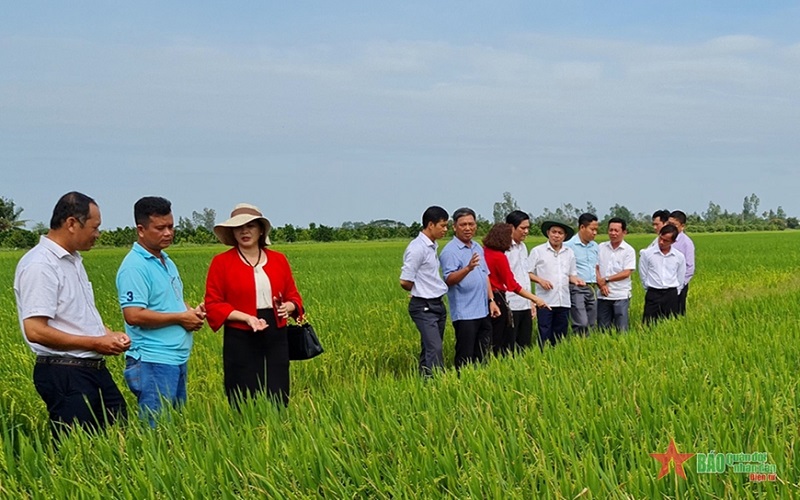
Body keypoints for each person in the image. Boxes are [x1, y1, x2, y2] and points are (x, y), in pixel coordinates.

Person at [13, 192, 129, 437]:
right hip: (64, 371)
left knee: (119, 429)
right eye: (95, 227)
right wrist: (97, 342)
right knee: (78, 446)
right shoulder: (40, 265)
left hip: (90, 368)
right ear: (72, 223)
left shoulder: (73, 261)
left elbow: (76, 317)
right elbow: (35, 330)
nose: (98, 234)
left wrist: (109, 334)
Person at [116, 196, 206, 422]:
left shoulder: (165, 260)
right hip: (152, 360)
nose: (168, 233)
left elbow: (173, 301)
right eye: (160, 228)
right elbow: (133, 315)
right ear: (141, 229)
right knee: (157, 432)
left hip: (175, 357)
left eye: (171, 226)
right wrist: (180, 318)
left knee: (175, 427)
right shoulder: (134, 267)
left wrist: (191, 312)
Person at [205, 203, 303, 407]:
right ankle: (244, 429)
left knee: (277, 390)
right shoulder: (221, 263)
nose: (244, 231)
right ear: (232, 233)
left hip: (275, 332)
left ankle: (277, 428)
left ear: (260, 230)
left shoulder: (278, 260)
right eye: (238, 227)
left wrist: (290, 307)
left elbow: (293, 295)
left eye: (250, 226)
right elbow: (213, 303)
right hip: (240, 332)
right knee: (242, 391)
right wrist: (246, 317)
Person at [439, 207, 500, 369]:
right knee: (465, 355)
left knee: (482, 353)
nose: (467, 228)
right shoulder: (450, 252)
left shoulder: (477, 247)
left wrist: (491, 300)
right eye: (463, 224)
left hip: (483, 310)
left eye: (471, 224)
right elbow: (449, 279)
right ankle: (462, 384)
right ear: (454, 227)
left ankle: (480, 381)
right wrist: (467, 268)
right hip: (465, 313)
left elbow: (485, 275)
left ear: (476, 225)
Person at [482, 223, 549, 355]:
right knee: (501, 339)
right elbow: (512, 284)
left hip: (486, 298)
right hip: (498, 298)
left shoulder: (484, 251)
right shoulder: (499, 257)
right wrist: (535, 298)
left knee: (491, 337)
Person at [400, 206, 450, 376]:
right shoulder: (417, 248)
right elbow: (405, 281)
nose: (445, 229)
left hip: (437, 304)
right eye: (442, 225)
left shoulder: (431, 246)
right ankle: (436, 384)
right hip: (424, 306)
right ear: (430, 225)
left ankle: (425, 383)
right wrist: (419, 290)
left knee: (430, 348)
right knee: (435, 348)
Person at [528, 221, 582, 348]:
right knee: (544, 332)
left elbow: (571, 274)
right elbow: (527, 273)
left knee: (560, 334)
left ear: (564, 236)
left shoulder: (569, 252)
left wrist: (577, 281)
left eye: (560, 233)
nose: (556, 236)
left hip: (564, 300)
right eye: (554, 232)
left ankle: (558, 357)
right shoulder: (538, 251)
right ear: (548, 233)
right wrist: (540, 280)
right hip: (545, 301)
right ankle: (543, 355)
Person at [595, 217, 636, 331]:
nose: (613, 233)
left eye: (616, 231)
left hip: (620, 295)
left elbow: (626, 272)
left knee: (621, 329)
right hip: (602, 295)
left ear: (624, 232)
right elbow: (595, 267)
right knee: (602, 329)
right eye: (610, 230)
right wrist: (601, 284)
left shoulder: (628, 250)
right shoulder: (601, 247)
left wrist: (606, 279)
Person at [639, 224, 686, 324]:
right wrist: (648, 288)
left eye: (666, 241)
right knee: (649, 324)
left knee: (670, 324)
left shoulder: (679, 256)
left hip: (671, 294)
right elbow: (643, 274)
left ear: (673, 242)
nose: (661, 242)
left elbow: (680, 277)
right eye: (660, 238)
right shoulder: (647, 254)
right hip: (653, 293)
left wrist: (676, 292)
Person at [504, 210, 536, 350]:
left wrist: (531, 303)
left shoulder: (523, 247)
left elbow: (524, 275)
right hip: (510, 304)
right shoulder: (503, 248)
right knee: (509, 345)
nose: (526, 231)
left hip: (525, 304)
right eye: (523, 228)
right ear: (511, 227)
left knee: (524, 344)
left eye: (528, 228)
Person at [564, 213, 599, 335]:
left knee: (592, 323)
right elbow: (563, 269)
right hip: (577, 288)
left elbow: (597, 267)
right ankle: (578, 345)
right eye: (592, 229)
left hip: (592, 288)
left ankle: (589, 347)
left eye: (596, 230)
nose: (595, 233)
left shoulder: (595, 246)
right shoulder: (568, 246)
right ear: (582, 228)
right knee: (581, 323)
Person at [668, 210, 695, 316]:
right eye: (669, 224)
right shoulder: (663, 239)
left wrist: (680, 285)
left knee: (677, 313)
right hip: (664, 283)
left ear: (682, 226)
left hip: (678, 284)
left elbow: (690, 267)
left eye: (674, 225)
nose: (671, 227)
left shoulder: (686, 243)